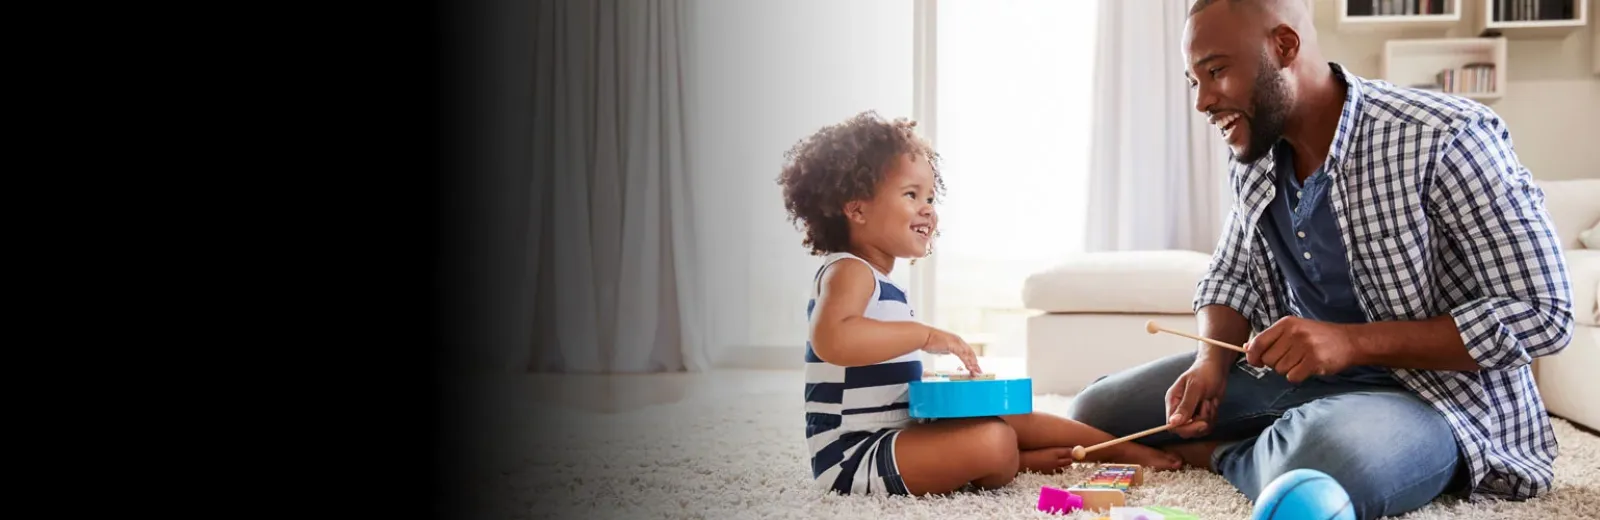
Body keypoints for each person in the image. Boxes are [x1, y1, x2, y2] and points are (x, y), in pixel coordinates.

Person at [1066, 1, 1575, 519]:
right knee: (1097, 412)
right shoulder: (1255, 149)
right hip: (1295, 379)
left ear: (1284, 47)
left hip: (1433, 397)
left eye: (1216, 71)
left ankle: (1221, 453)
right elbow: (1231, 272)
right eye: (1193, 81)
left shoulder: (1445, 136)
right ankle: (1278, 441)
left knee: (1325, 462)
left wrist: (1349, 343)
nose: (1202, 102)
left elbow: (1543, 313)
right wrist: (1210, 364)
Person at [778, 111, 1182, 497]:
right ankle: (1019, 460)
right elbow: (833, 338)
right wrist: (926, 335)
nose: (927, 208)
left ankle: (1117, 448)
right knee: (995, 439)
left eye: (931, 197)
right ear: (857, 208)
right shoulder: (848, 271)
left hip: (897, 431)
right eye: (910, 194)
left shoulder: (883, 283)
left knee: (1004, 414)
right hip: (853, 456)